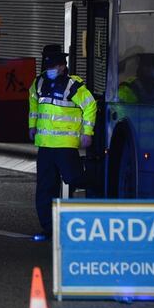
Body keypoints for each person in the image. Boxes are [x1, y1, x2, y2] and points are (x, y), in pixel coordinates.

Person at [29, 44, 97, 240]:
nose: (49, 69)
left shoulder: (72, 85)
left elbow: (90, 105)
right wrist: (31, 125)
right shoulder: (39, 82)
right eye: (47, 64)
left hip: (65, 145)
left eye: (53, 65)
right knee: (45, 187)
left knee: (74, 178)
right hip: (45, 145)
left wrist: (87, 132)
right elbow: (33, 103)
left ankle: (96, 182)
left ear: (62, 66)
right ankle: (49, 228)